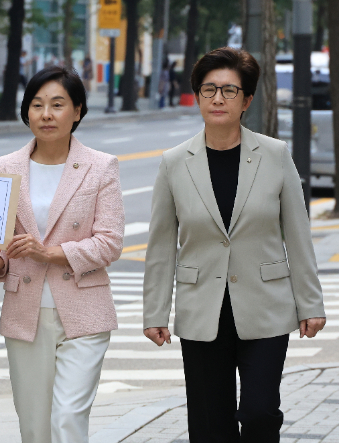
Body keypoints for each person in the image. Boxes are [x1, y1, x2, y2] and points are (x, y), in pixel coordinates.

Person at [143, 47, 326, 441]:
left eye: (229, 90)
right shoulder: (174, 162)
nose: (218, 99)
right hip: (201, 310)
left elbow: (298, 235)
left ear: (246, 100)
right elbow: (160, 245)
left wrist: (311, 303)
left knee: (260, 412)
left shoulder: (274, 155)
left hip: (266, 306)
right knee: (210, 425)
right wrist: (154, 312)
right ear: (198, 97)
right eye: (208, 90)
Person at [0, 66, 124, 443]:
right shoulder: (4, 167)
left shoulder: (101, 166)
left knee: (68, 417)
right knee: (35, 427)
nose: (46, 114)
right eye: (37, 105)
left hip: (84, 310)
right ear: (26, 112)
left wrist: (51, 253)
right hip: (26, 311)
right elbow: (2, 245)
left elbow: (110, 242)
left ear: (78, 110)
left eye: (58, 104)